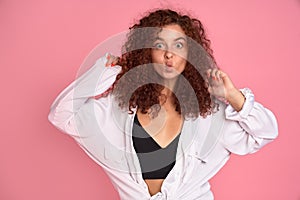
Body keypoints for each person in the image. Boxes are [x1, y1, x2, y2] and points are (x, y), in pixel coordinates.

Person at [48, 9, 278, 200]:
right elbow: (61, 114)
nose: (169, 54)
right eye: (160, 45)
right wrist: (104, 73)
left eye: (179, 46)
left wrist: (232, 96)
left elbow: (265, 133)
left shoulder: (209, 114)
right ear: (146, 52)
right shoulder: (115, 111)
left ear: (190, 55)